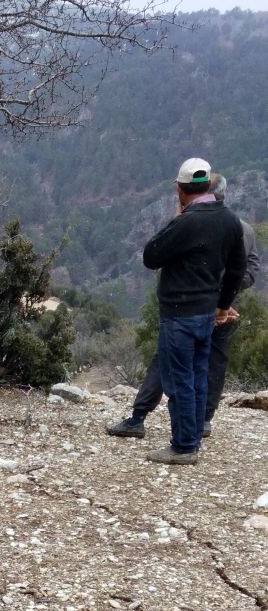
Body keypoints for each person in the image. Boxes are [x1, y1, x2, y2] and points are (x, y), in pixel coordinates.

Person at [107, 172, 260, 442]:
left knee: (169, 362)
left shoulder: (192, 223)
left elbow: (155, 255)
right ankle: (200, 425)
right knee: (209, 366)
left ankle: (147, 421)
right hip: (222, 308)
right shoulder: (240, 226)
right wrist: (224, 300)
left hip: (192, 307)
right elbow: (248, 270)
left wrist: (216, 296)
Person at [134, 157, 246, 465]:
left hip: (179, 313)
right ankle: (193, 438)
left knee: (178, 379)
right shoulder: (229, 220)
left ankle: (183, 446)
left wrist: (176, 217)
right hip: (208, 312)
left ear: (181, 191)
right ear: (209, 185)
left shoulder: (186, 222)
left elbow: (151, 256)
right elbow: (237, 268)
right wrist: (223, 305)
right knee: (197, 375)